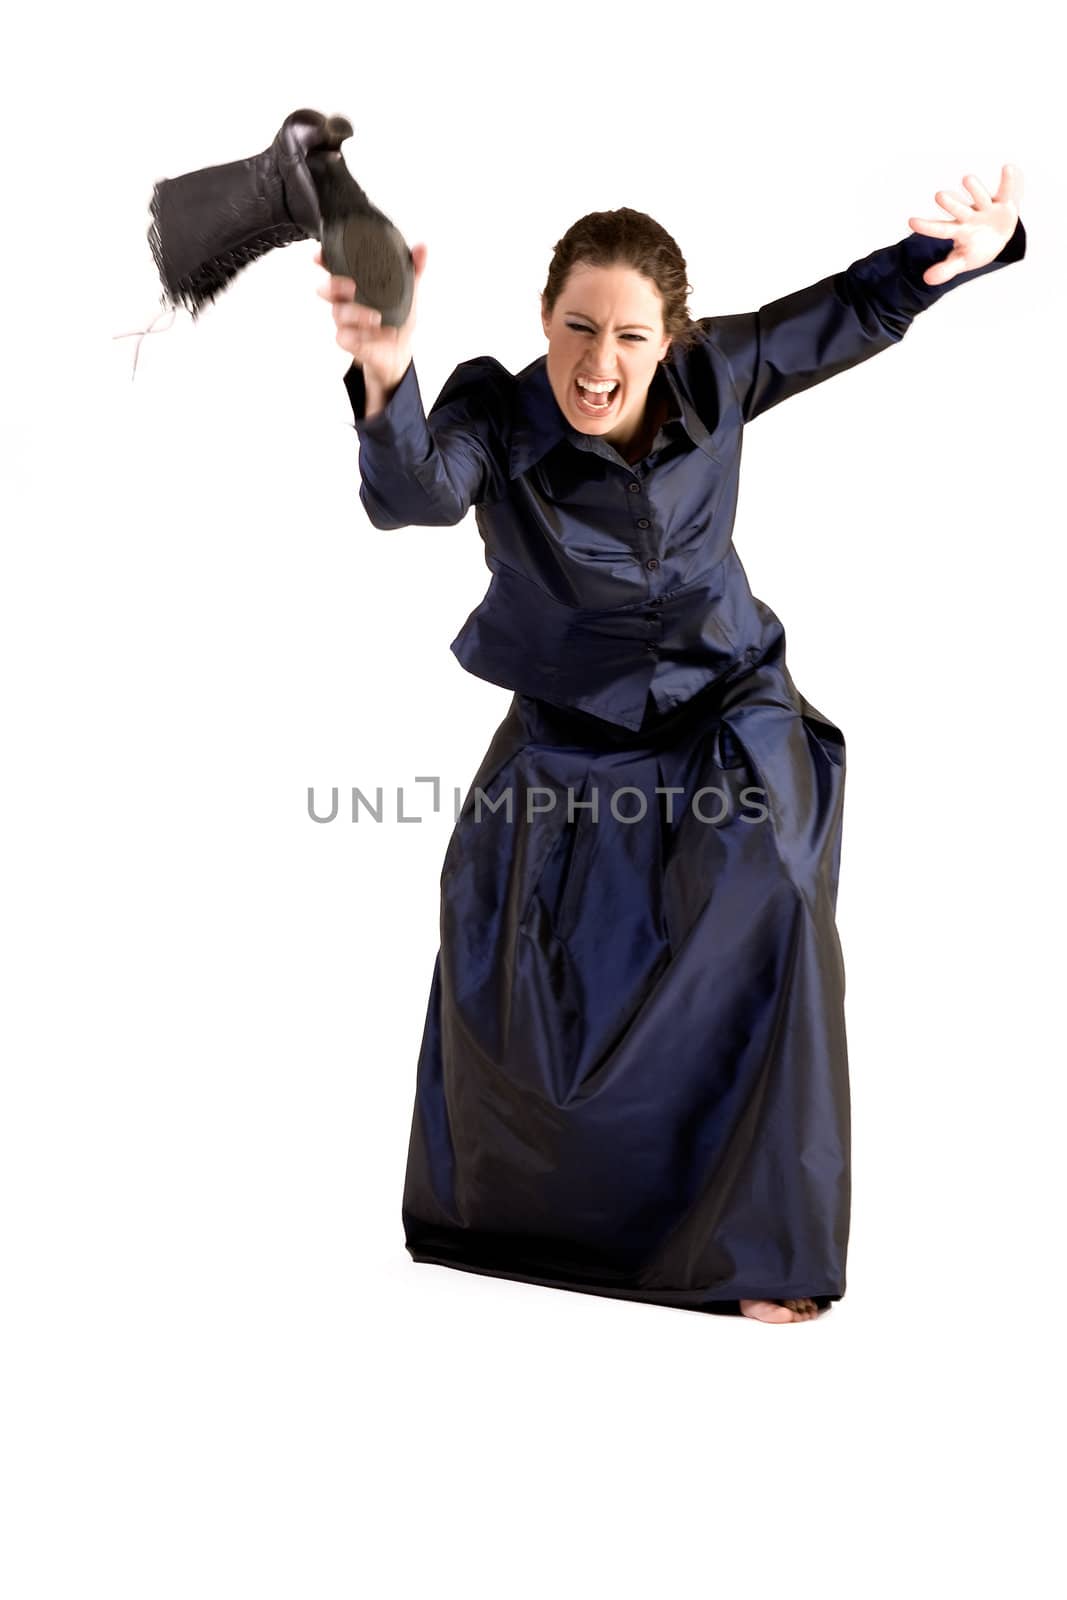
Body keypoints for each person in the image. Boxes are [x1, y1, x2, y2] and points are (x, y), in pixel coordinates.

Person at [316, 165, 1026, 1324]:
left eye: (629, 337)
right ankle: (513, 1222)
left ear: (670, 337)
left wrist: (973, 249)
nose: (598, 364)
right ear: (544, 320)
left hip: (726, 698)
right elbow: (417, 498)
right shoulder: (493, 411)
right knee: (507, 948)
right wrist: (387, 373)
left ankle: (763, 1251)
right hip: (569, 727)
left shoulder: (721, 372)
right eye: (576, 328)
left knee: (776, 884)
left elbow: (853, 306)